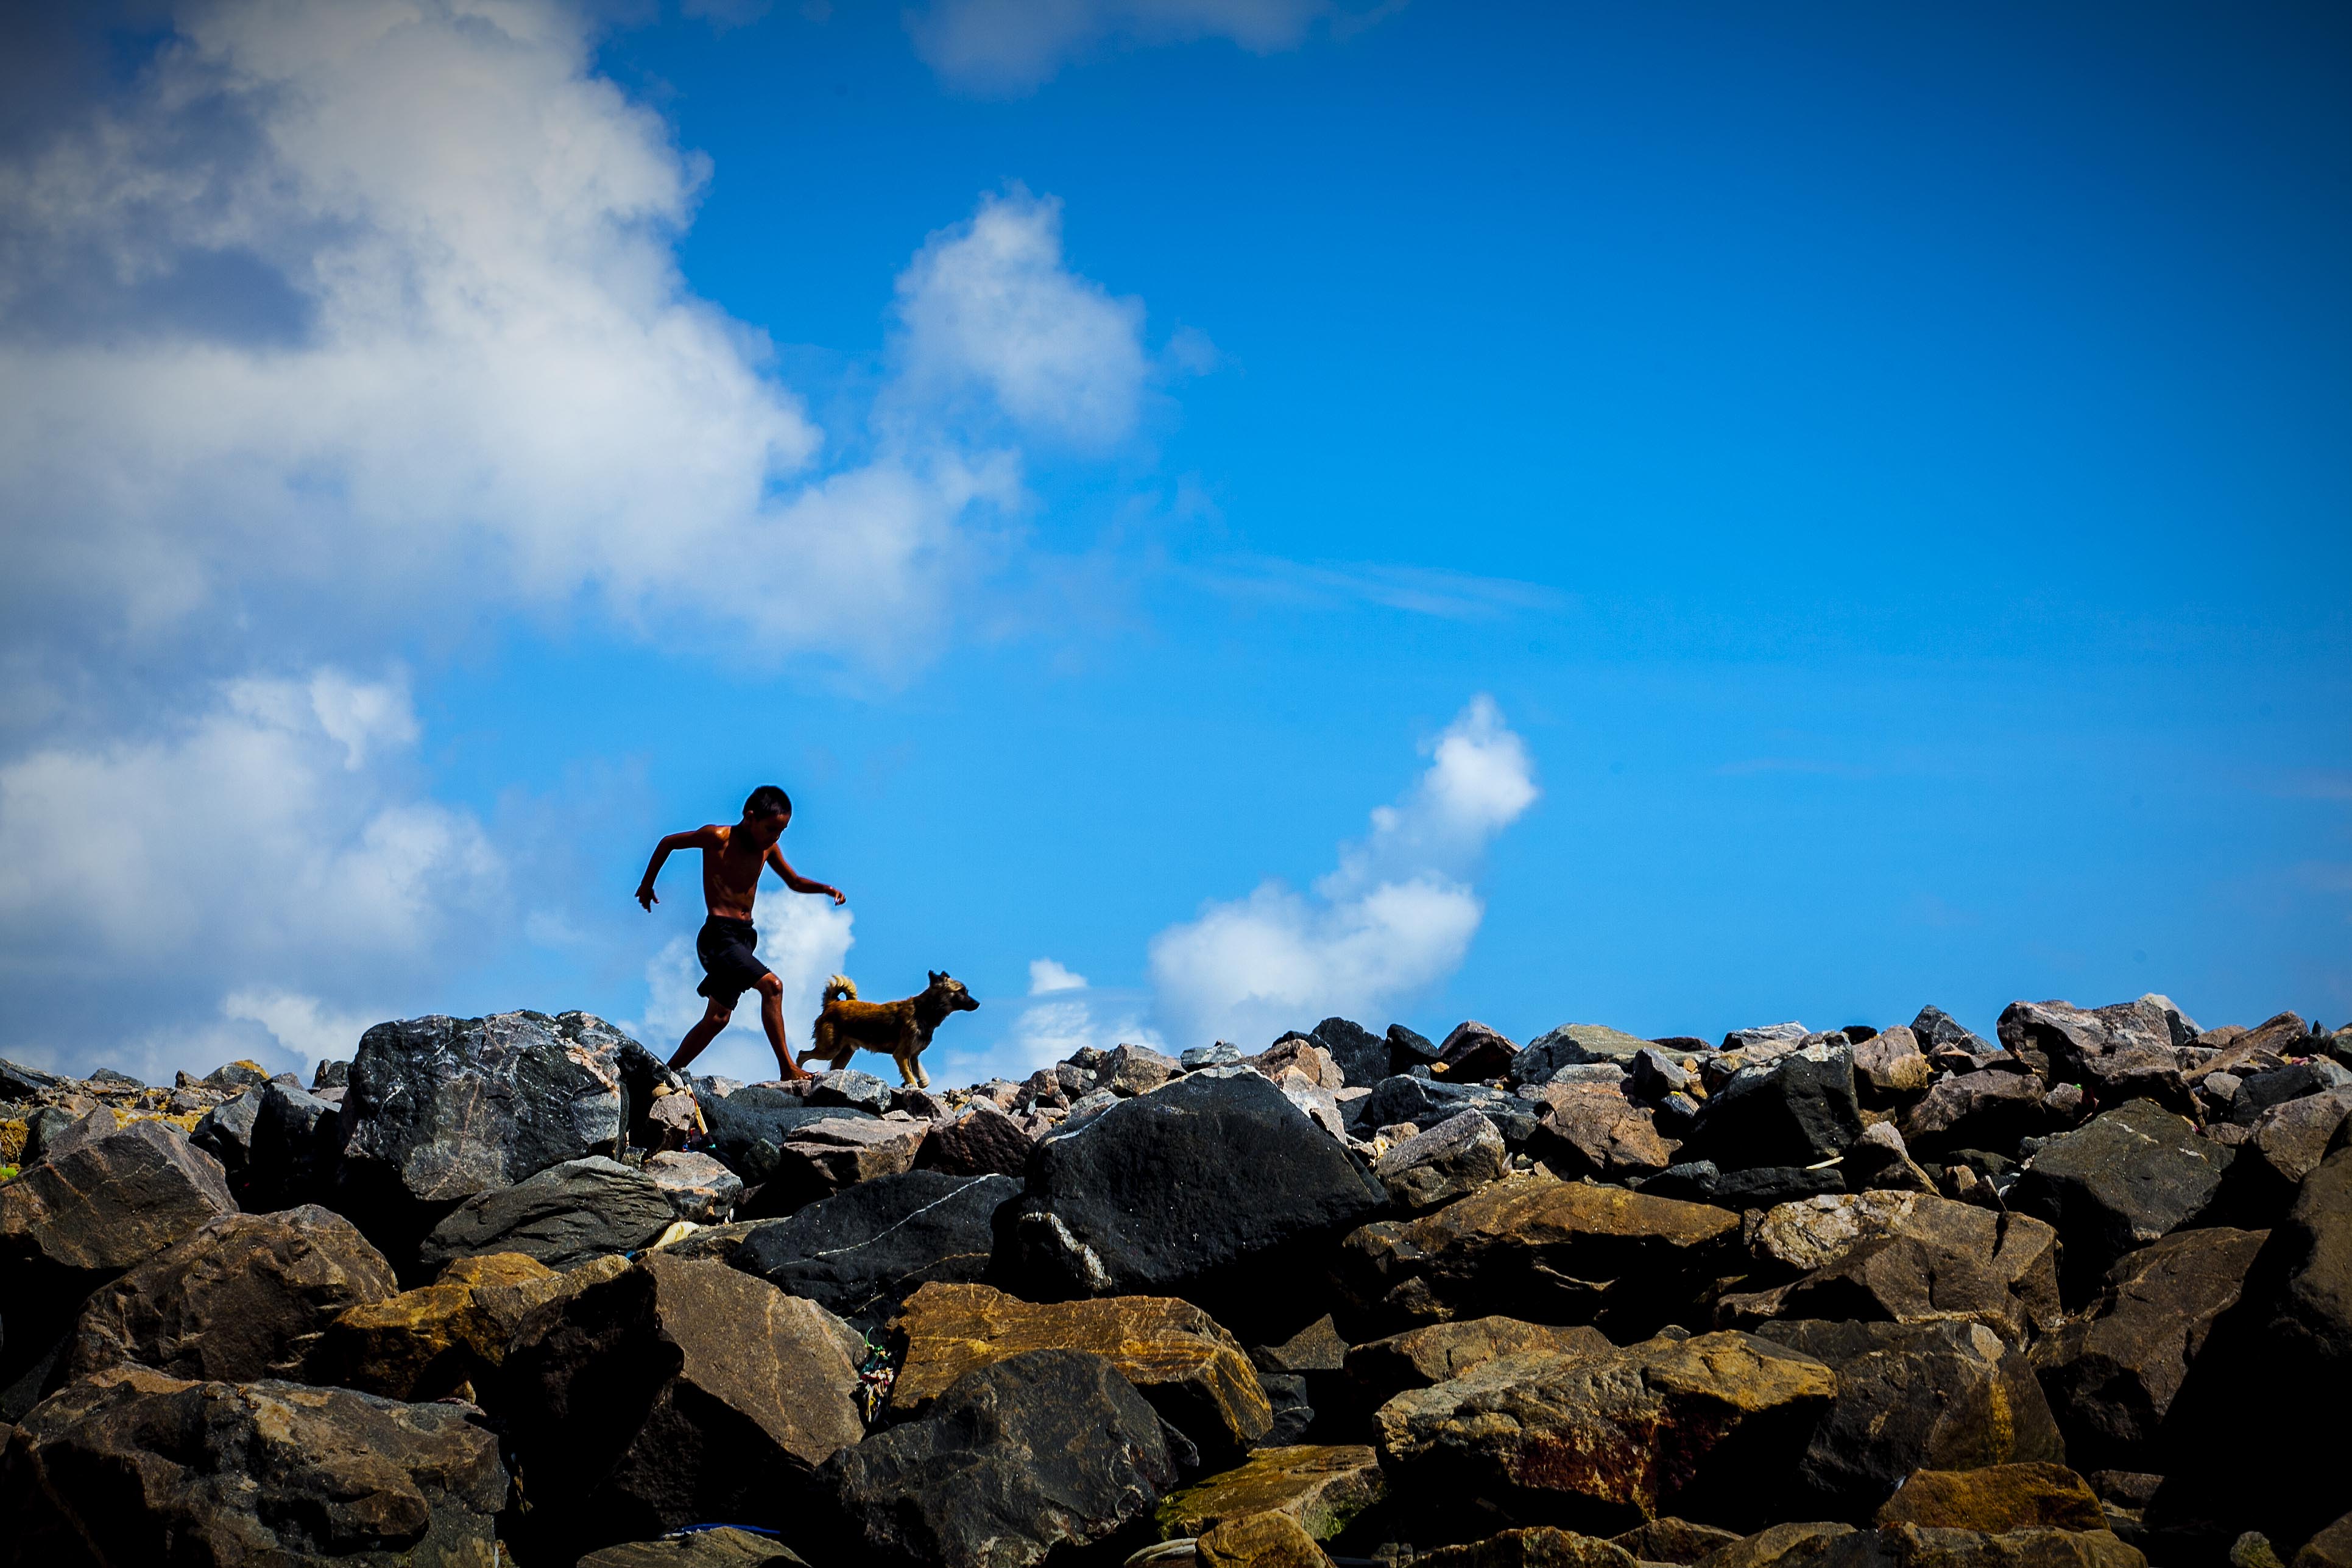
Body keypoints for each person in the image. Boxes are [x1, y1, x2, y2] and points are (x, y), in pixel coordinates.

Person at [635, 785, 846, 1078]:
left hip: (745, 938)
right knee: (773, 987)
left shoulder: (767, 849)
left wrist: (825, 889)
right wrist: (647, 885)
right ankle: (787, 1067)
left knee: (718, 1018)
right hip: (718, 938)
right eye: (771, 829)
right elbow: (668, 842)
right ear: (750, 817)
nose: (775, 837)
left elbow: (794, 881)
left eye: (781, 832)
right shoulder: (718, 838)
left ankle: (665, 1074)